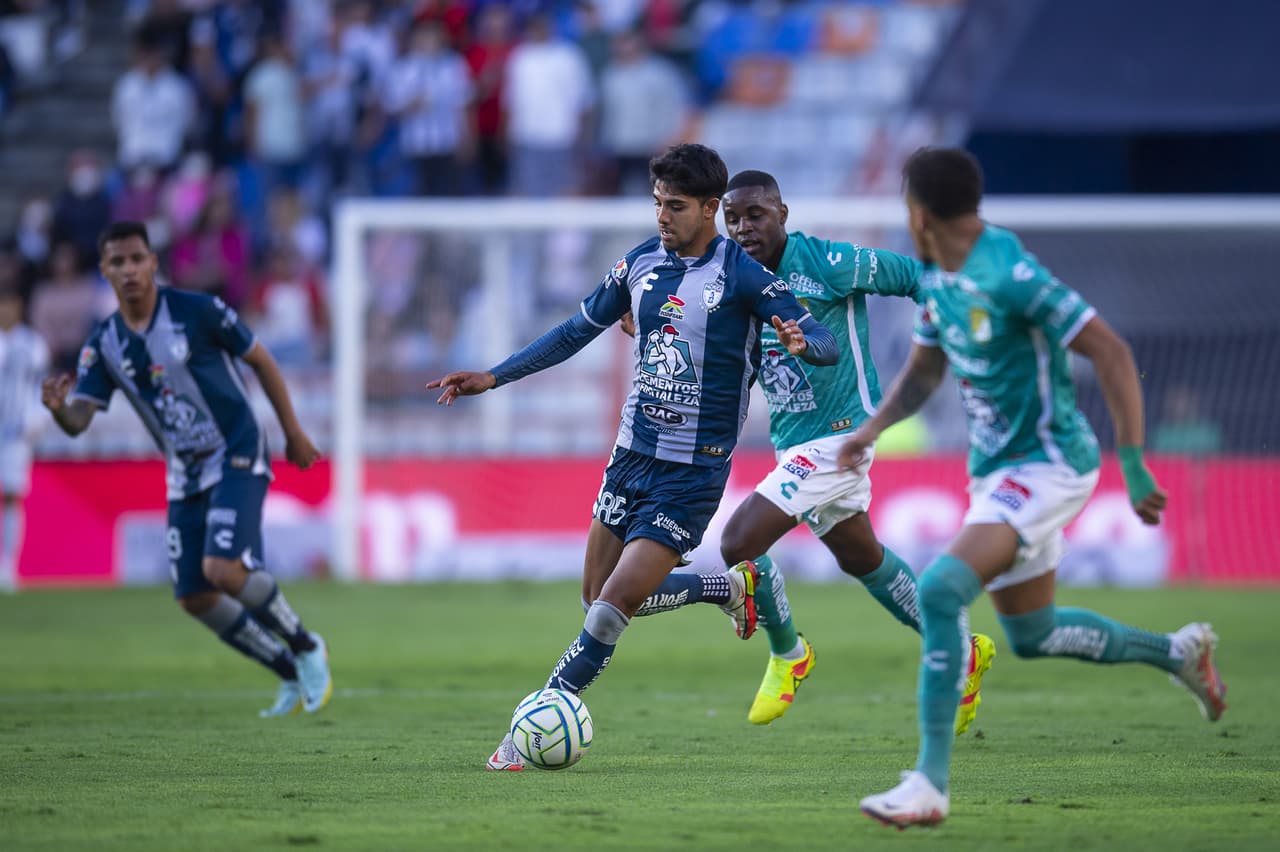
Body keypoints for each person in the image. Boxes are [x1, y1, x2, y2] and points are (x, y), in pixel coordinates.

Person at [842, 148, 1227, 829]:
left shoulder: (1009, 274)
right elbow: (926, 372)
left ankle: (929, 783)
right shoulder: (935, 277)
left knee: (938, 589)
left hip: (1050, 465)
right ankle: (1178, 654)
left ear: (918, 213)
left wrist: (1133, 464)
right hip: (997, 473)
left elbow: (1110, 349)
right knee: (1032, 632)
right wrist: (872, 427)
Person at [426, 144, 839, 771]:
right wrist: (495, 375)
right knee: (597, 594)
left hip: (693, 472)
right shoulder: (640, 263)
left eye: (675, 206)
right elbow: (574, 330)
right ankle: (727, 588)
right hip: (630, 456)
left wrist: (803, 339)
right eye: (657, 204)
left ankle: (535, 721)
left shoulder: (747, 277)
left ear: (709, 209)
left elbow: (826, 341)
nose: (663, 217)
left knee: (610, 610)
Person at [622, 169, 996, 730]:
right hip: (795, 444)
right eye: (733, 218)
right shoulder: (732, 280)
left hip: (842, 437)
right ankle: (961, 646)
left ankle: (788, 652)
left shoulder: (829, 262)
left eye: (756, 215)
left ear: (783, 215)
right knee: (859, 555)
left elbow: (917, 277)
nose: (744, 227)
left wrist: (952, 332)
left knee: (739, 540)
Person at [40, 221, 333, 717]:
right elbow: (79, 420)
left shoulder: (197, 311)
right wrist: (58, 410)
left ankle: (306, 646)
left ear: (154, 262)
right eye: (118, 262)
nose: (129, 270)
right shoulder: (105, 343)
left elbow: (260, 359)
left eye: (137, 259)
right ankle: (286, 669)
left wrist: (293, 431)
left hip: (237, 449)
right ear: (104, 272)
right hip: (184, 471)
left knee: (222, 570)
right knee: (194, 596)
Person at [0, 287, 50, 592]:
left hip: (15, 433)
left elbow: (41, 386)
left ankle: (8, 564)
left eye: (9, 305)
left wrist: (36, 418)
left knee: (10, 496)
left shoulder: (32, 344)